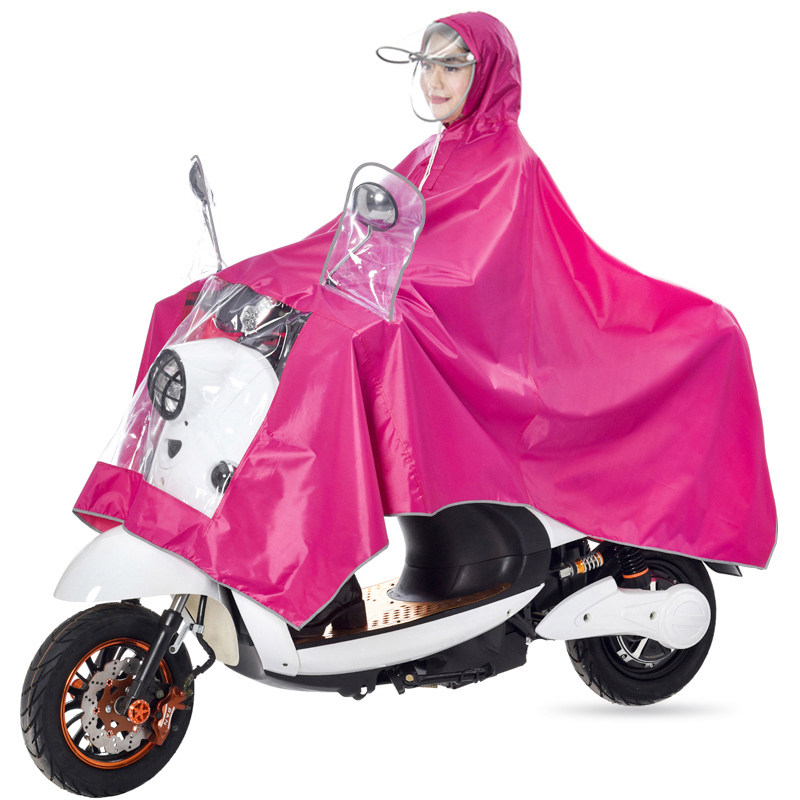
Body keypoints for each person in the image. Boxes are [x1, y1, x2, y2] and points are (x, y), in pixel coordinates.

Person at [75, 13, 776, 628]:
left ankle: (308, 557)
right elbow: (350, 243)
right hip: (411, 311)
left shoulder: (509, 165)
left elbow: (473, 275)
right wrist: (256, 278)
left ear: (487, 73)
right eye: (425, 65)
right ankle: (200, 515)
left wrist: (384, 301)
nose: (433, 80)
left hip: (487, 348)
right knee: (195, 309)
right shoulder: (429, 153)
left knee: (330, 352)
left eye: (451, 65)